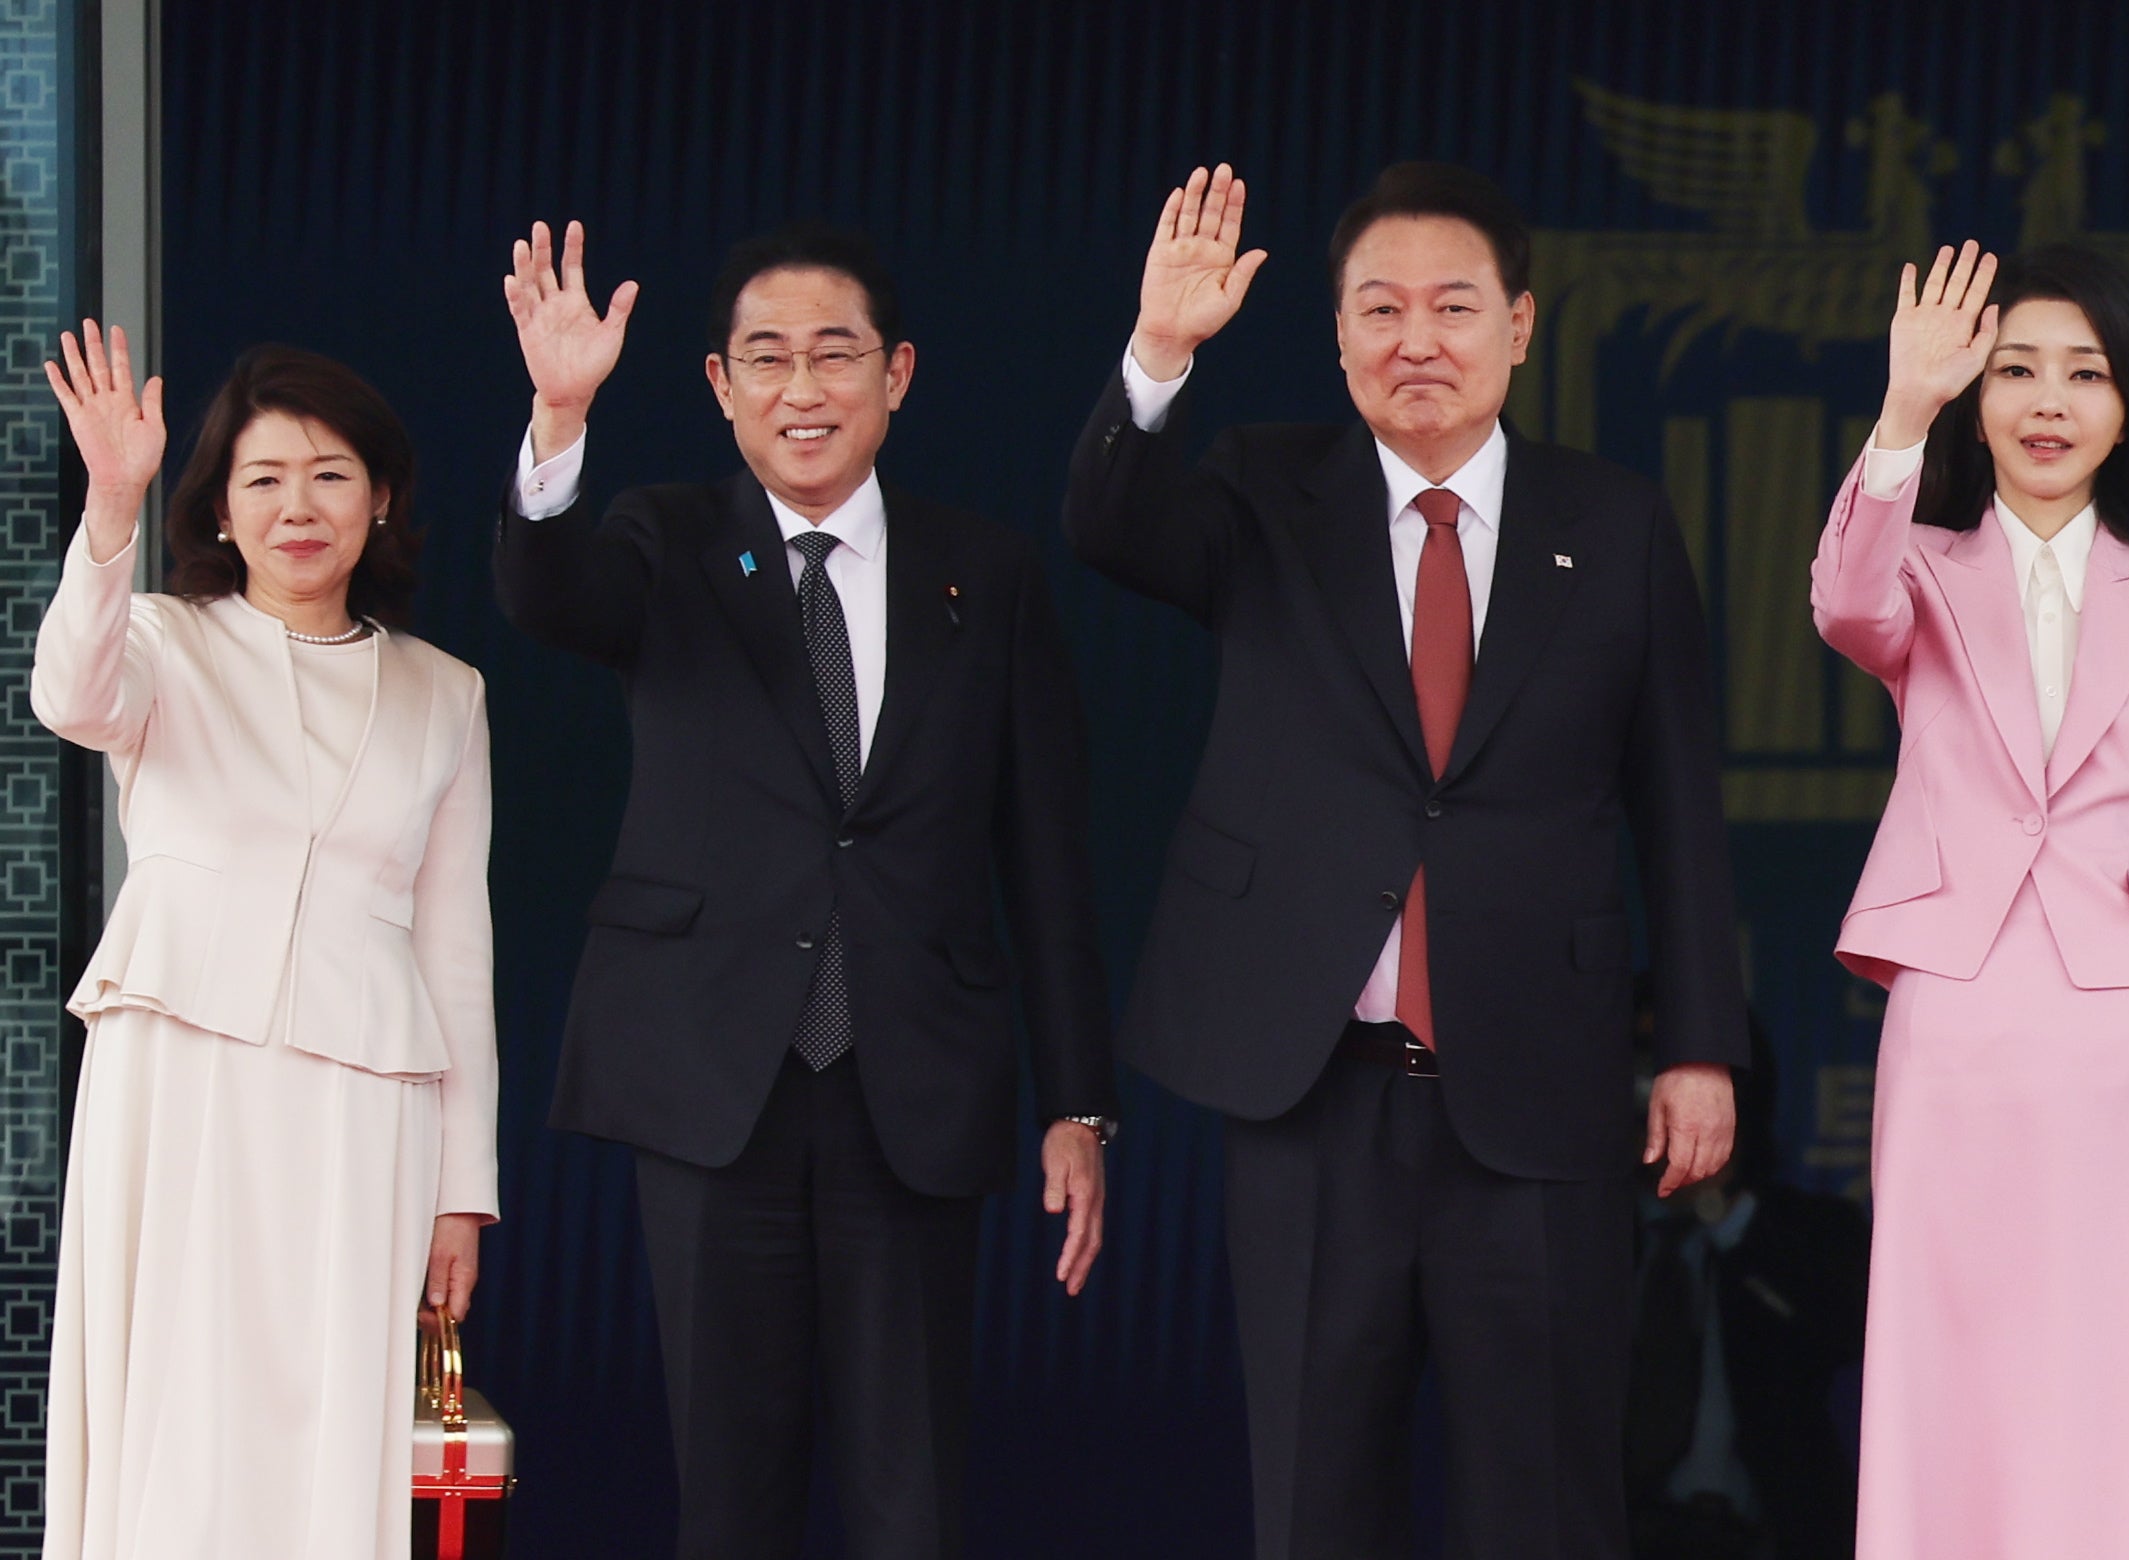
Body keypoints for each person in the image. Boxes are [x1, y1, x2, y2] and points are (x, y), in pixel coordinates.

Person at [1064, 162, 1748, 1559]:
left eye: (1451, 306)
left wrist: (1696, 1042)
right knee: (1317, 1498)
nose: (1415, 341)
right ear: (1332, 335)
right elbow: (1108, 527)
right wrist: (1158, 355)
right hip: (1316, 1091)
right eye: (1378, 309)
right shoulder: (1263, 489)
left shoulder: (1611, 525)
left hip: (1539, 1086)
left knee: (1546, 1502)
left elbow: (1676, 799)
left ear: (1520, 323)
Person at [494, 220, 1117, 1559]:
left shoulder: (986, 573)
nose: (802, 388)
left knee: (913, 1496)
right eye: (764, 358)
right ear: (719, 388)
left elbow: (1046, 857)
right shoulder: (660, 537)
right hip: (717, 1077)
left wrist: (1077, 1102)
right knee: (732, 1496)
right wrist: (558, 414)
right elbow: (551, 600)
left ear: (896, 374)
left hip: (915, 1082)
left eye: (834, 354)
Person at [1812, 241, 2129, 1557]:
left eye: (2082, 372)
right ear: (1975, 396)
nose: (2045, 401)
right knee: (1960, 1359)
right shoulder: (1917, 565)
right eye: (2014, 368)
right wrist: (1899, 409)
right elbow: (1841, 609)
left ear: (2127, 400)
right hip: (1959, 1025)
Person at [34, 327, 499, 1558]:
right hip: (179, 1071)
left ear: (381, 498)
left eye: (331, 475)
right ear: (223, 511)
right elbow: (68, 699)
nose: (300, 505)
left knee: (326, 1419)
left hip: (362, 1098)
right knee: (176, 1396)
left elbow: (458, 948)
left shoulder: (446, 692)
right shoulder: (162, 642)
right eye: (264, 479)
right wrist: (110, 507)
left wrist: (466, 1192)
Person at [1625, 990, 1869, 1560]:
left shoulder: (1813, 1229)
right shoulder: (1583, 1240)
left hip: (1767, 1534)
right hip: (1619, 1532)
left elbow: (1837, 1335)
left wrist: (1722, 1209)